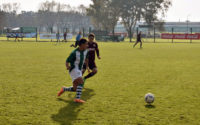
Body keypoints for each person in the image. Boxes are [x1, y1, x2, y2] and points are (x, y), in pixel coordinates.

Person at [57, 38, 89, 103]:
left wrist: (87, 67)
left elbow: (86, 59)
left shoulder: (86, 51)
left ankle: (64, 89)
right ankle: (77, 99)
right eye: (86, 44)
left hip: (79, 70)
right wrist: (67, 66)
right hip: (73, 69)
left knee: (75, 89)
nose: (87, 45)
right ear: (82, 44)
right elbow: (67, 61)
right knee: (81, 82)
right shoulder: (74, 52)